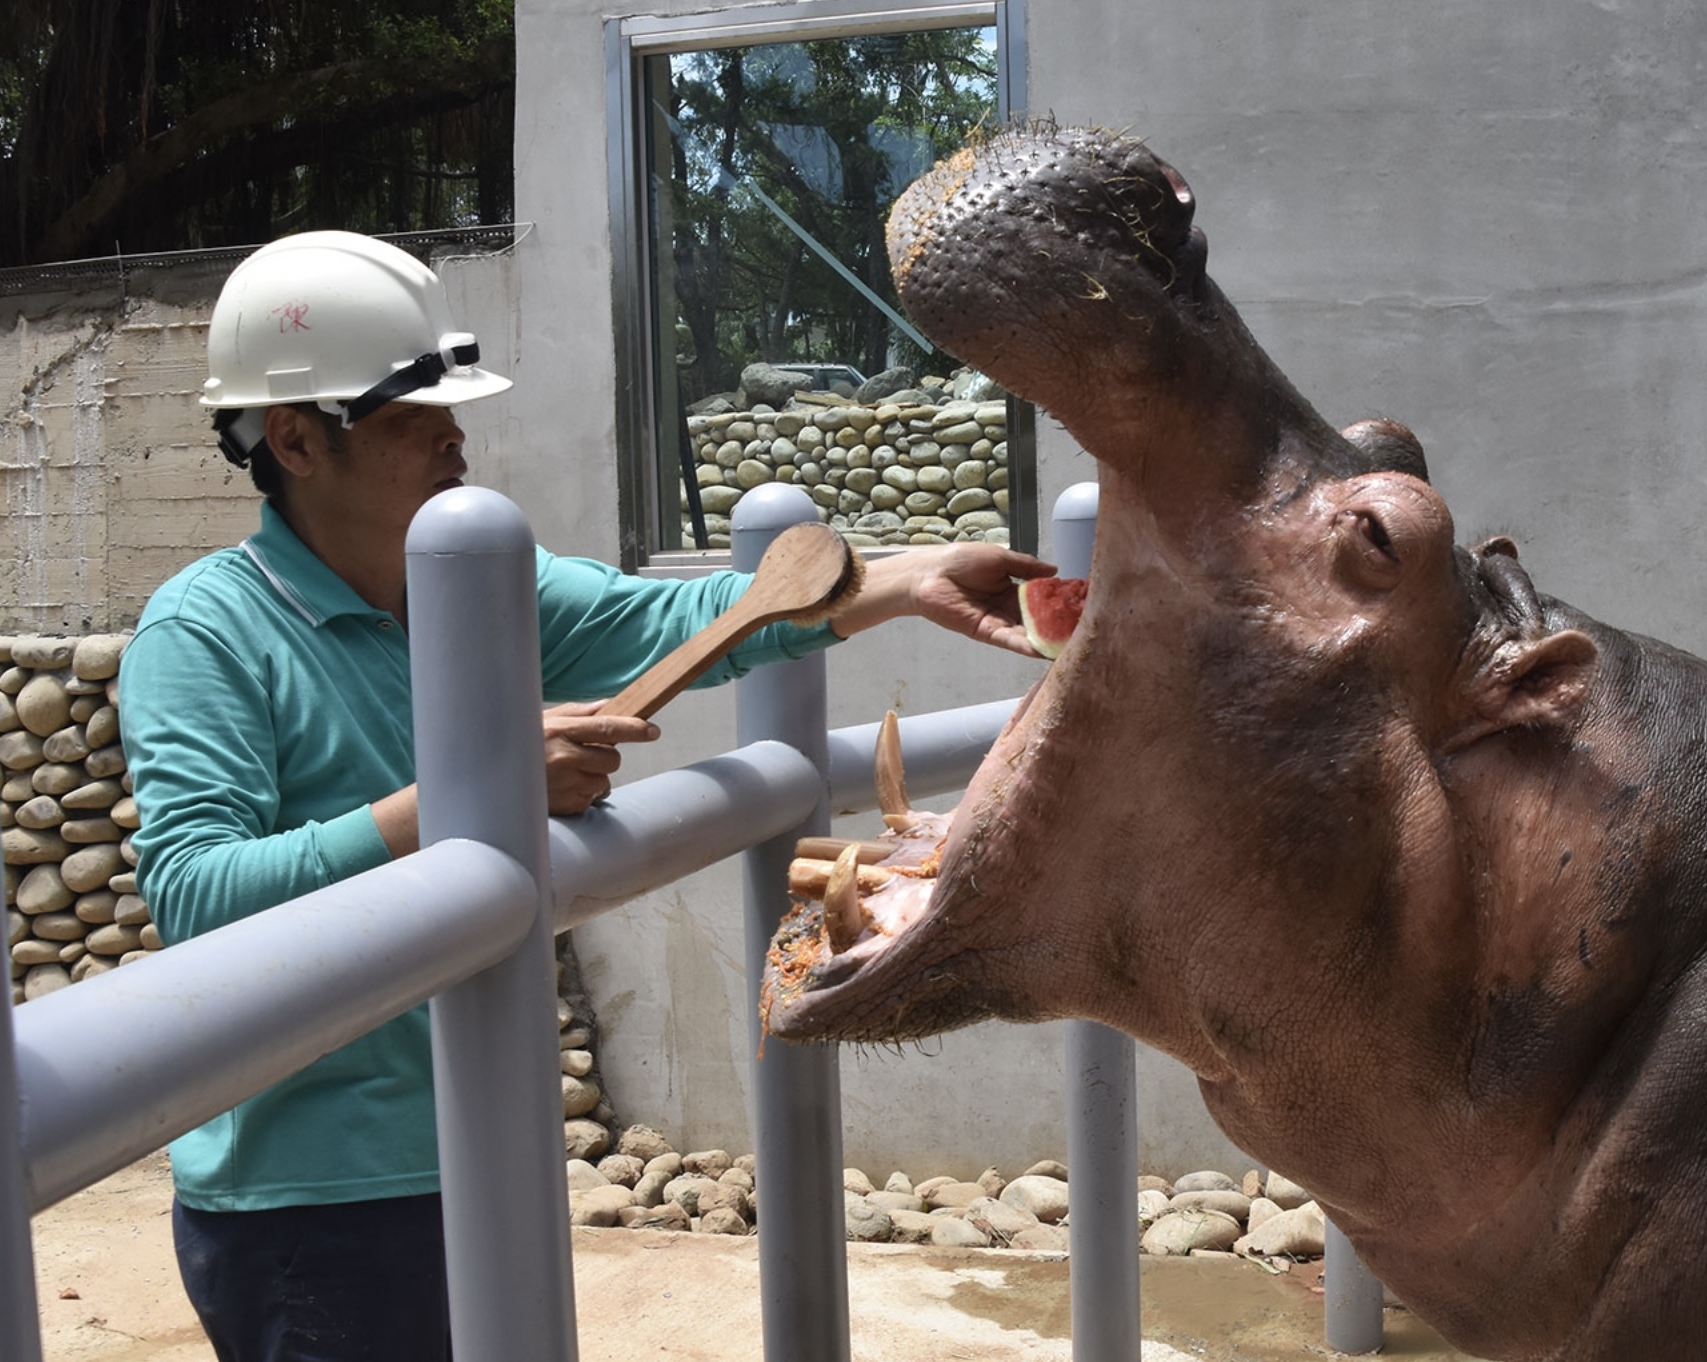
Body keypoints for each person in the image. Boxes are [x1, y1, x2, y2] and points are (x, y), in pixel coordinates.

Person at [118, 230, 1050, 1362]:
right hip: (313, 1197)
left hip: (482, 1137)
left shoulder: (473, 576)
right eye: (416, 420)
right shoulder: (205, 633)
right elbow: (195, 896)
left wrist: (904, 580)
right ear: (297, 439)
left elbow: (682, 624)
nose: (457, 437)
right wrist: (474, 789)